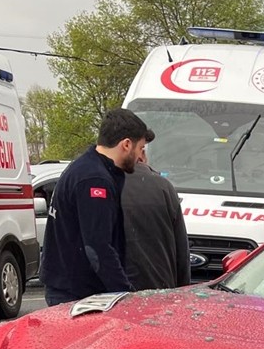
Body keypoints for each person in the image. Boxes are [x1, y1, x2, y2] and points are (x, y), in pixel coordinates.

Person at [40, 108, 150, 305]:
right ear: (126, 144)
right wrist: (126, 294)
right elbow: (97, 247)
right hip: (77, 294)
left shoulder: (85, 167)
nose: (142, 158)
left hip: (68, 287)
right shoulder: (95, 180)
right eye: (140, 148)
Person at [121, 145, 191, 291]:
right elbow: (181, 252)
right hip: (158, 289)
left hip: (108, 294)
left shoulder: (98, 183)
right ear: (142, 154)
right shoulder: (163, 186)